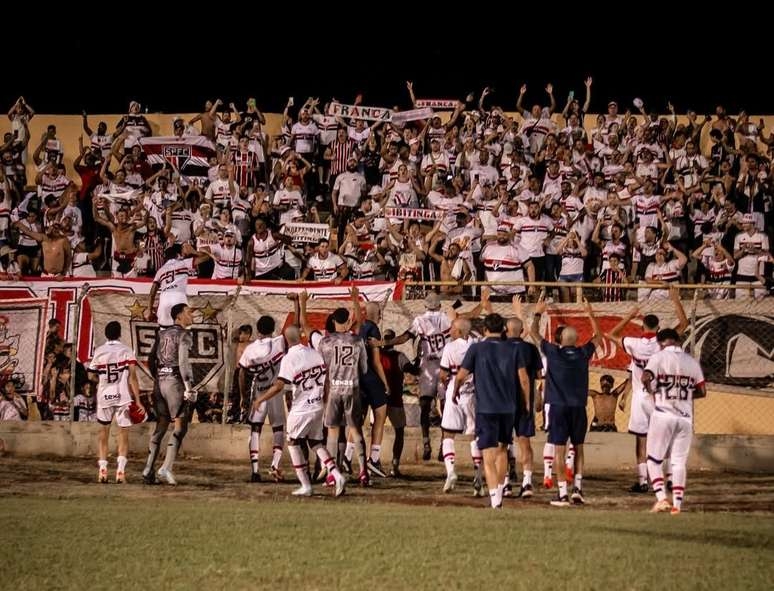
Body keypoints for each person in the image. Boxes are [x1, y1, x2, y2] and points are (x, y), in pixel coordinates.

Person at [606, 287, 688, 493]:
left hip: (640, 398)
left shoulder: (633, 343)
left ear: (642, 327)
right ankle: (668, 478)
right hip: (660, 396)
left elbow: (611, 334)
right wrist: (675, 300)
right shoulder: (663, 342)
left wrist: (629, 316)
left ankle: (643, 481)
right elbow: (685, 324)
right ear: (659, 327)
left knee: (641, 439)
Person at [252, 325, 346, 497]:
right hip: (318, 405)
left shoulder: (289, 358)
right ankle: (337, 475)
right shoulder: (314, 353)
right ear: (301, 336)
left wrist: (260, 398)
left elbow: (279, 385)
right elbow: (326, 382)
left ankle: (306, 485)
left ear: (286, 339)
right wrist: (324, 402)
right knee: (316, 443)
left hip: (301, 409)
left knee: (293, 443)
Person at [454, 313, 530, 509]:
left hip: (486, 408)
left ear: (485, 330)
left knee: (488, 453)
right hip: (508, 408)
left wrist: (455, 391)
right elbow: (523, 379)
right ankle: (501, 490)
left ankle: (495, 497)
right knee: (503, 449)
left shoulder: (477, 348)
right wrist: (526, 403)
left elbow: (461, 376)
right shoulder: (513, 349)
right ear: (503, 329)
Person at [531, 298, 601, 507]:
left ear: (561, 340)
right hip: (579, 407)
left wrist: (537, 313)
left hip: (559, 407)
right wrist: (590, 313)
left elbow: (534, 334)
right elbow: (598, 337)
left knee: (560, 449)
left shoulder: (554, 352)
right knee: (578, 448)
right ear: (577, 339)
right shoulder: (582, 353)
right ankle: (577, 489)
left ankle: (562, 493)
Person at [641, 329, 706, 514]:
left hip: (663, 414)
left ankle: (661, 498)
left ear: (661, 343)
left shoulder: (659, 357)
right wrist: (682, 395)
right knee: (678, 462)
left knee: (654, 460)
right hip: (685, 418)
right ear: (677, 341)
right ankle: (677, 505)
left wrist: (651, 390)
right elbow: (702, 391)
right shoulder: (692, 361)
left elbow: (645, 376)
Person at [380, 292, 450, 461]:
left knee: (424, 406)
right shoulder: (447, 318)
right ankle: (443, 445)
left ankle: (426, 441)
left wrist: (384, 343)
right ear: (439, 306)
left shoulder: (420, 320)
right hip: (443, 365)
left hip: (427, 365)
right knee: (445, 408)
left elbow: (405, 337)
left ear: (425, 306)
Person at [142, 303, 195, 485]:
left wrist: (157, 377)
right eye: (189, 312)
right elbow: (183, 362)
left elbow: (150, 359)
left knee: (161, 425)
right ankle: (166, 467)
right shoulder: (185, 334)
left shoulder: (161, 333)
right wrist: (188, 387)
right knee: (180, 427)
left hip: (159, 383)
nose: (192, 316)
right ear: (179, 316)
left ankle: (148, 468)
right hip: (175, 383)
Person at [87, 321, 145, 484]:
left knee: (103, 434)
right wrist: (138, 400)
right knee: (123, 434)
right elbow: (133, 377)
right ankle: (120, 472)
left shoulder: (99, 351)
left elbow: (90, 375)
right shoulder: (127, 351)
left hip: (104, 396)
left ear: (106, 334)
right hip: (123, 397)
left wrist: (100, 380)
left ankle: (103, 471)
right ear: (120, 333)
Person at [317, 307, 369, 486]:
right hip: (352, 388)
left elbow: (322, 367)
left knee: (333, 430)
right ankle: (363, 471)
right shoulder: (358, 341)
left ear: (333, 321)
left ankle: (332, 474)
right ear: (347, 321)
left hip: (334, 389)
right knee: (355, 429)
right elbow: (364, 368)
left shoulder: (325, 342)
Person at [238, 316, 287, 483]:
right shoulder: (279, 342)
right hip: (275, 393)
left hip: (258, 393)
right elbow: (295, 327)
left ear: (257, 330)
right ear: (273, 330)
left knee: (255, 430)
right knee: (278, 429)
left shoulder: (250, 350)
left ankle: (255, 470)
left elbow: (242, 373)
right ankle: (275, 464)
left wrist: (244, 396)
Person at [438, 317, 482, 495]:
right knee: (474, 436)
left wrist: (445, 383)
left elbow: (443, 374)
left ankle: (450, 472)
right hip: (472, 394)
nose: (450, 331)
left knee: (448, 434)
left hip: (454, 393)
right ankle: (478, 475)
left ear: (459, 331)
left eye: (453, 329)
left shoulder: (450, 347)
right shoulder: (477, 345)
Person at [505, 307, 543, 499]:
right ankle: (527, 482)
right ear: (521, 331)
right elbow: (538, 375)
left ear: (506, 330)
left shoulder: (500, 347)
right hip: (524, 401)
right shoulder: (530, 348)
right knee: (524, 442)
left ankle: (506, 483)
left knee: (502, 443)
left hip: (503, 401)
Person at [379, 329, 419, 477]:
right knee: (399, 432)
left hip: (379, 400)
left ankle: (373, 462)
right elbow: (413, 370)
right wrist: (418, 361)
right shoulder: (399, 356)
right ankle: (394, 465)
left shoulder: (377, 356)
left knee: (377, 431)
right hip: (395, 399)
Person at [146, 244, 206, 328]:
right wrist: (193, 251)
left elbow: (152, 293)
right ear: (178, 255)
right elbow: (206, 257)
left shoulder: (160, 270)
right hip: (179, 297)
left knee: (164, 331)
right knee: (184, 331)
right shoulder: (184, 263)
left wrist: (149, 310)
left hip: (164, 298)